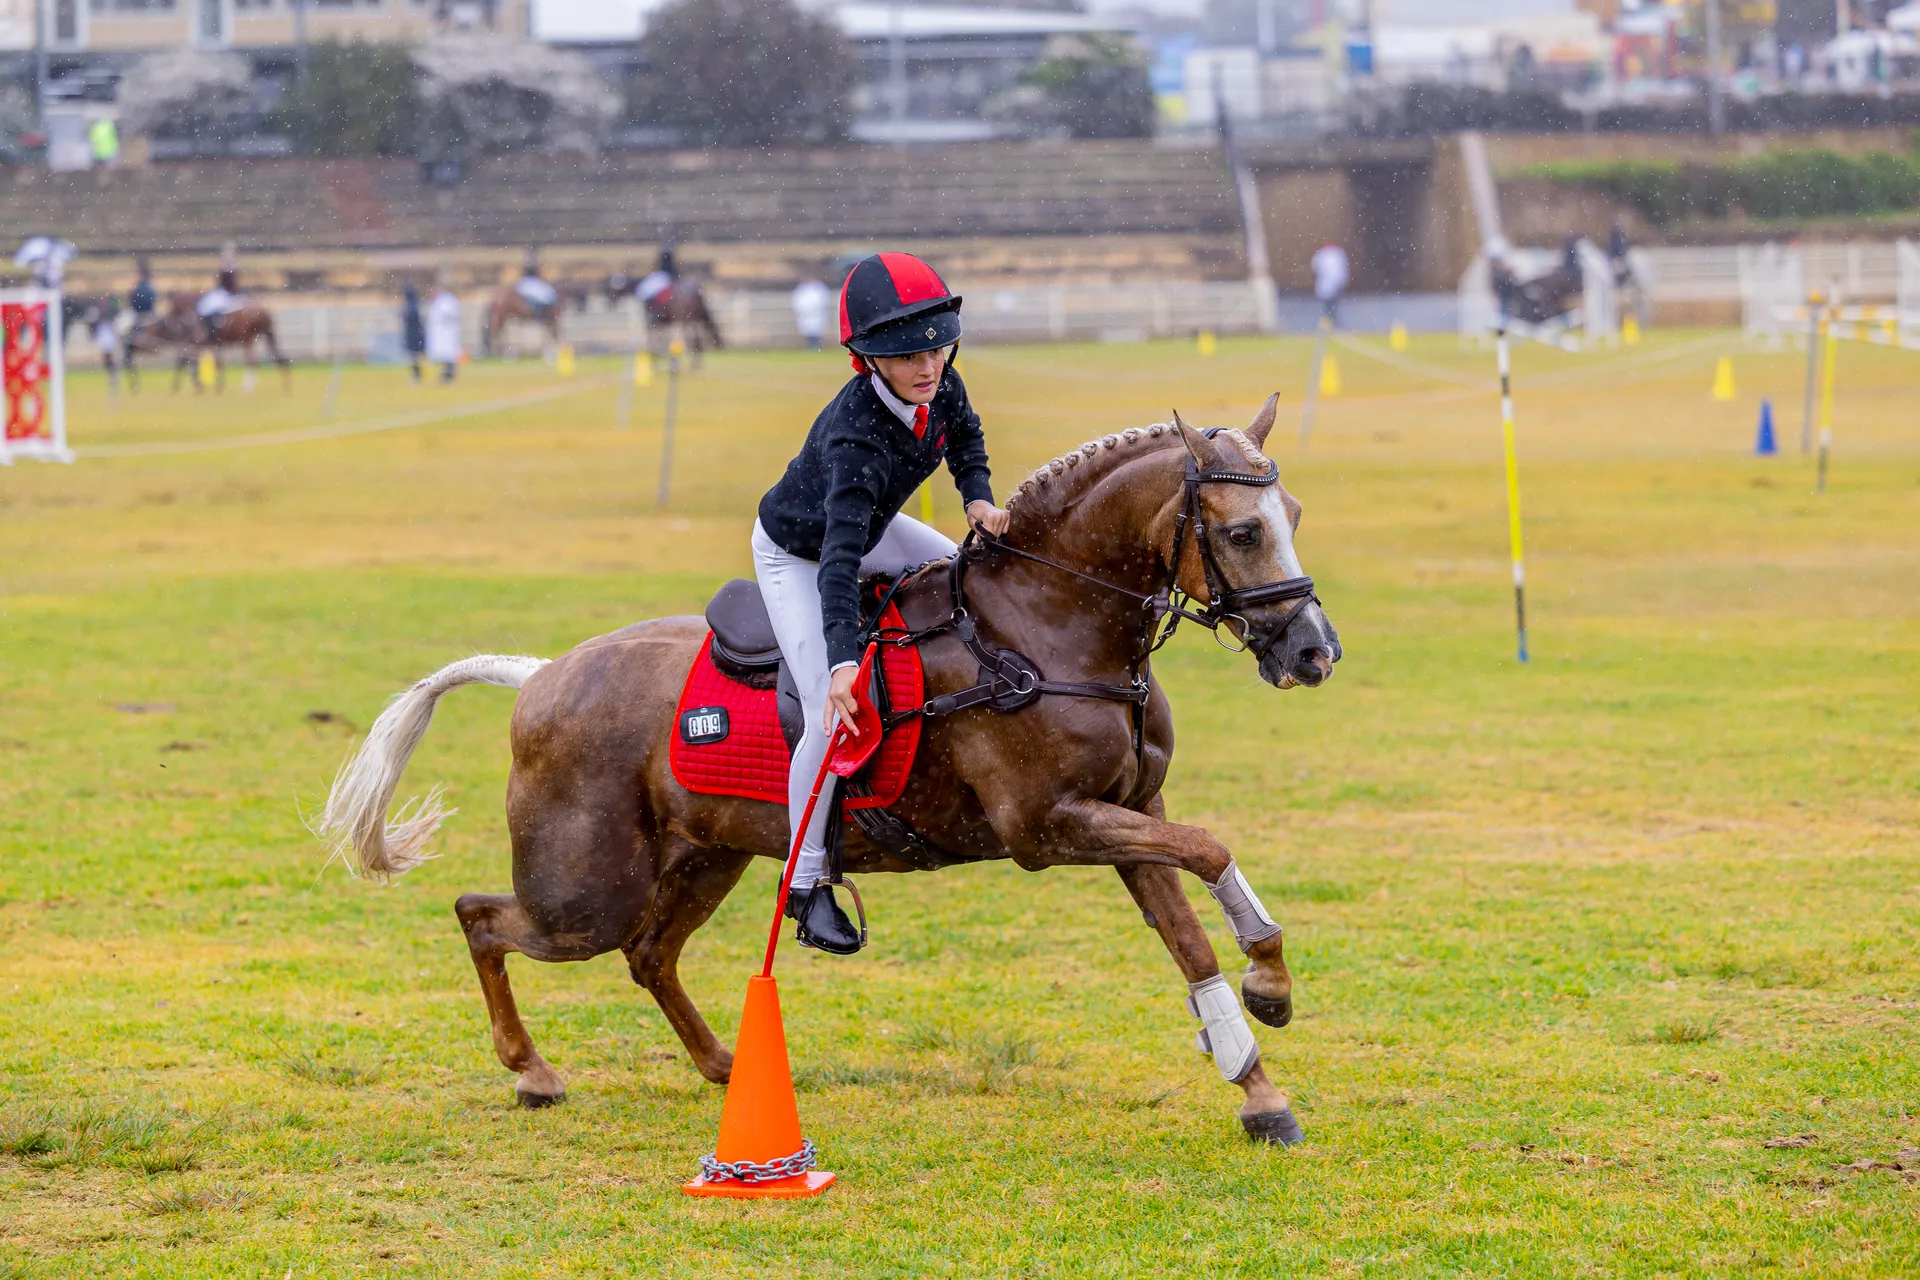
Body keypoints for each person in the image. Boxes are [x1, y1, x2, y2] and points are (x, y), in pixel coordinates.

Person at [754, 252, 1008, 954]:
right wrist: (840, 665)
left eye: (937, 347)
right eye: (907, 355)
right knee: (825, 714)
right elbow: (838, 563)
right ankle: (805, 885)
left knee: (968, 574)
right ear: (868, 359)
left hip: (870, 530)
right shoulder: (854, 434)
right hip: (800, 554)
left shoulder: (941, 381)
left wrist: (978, 496)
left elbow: (967, 435)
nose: (928, 367)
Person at [426, 278, 462, 384]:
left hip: (447, 332)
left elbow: (451, 314)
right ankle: (446, 375)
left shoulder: (448, 301)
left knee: (449, 354)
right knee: (443, 354)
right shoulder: (439, 301)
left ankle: (449, 375)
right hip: (440, 333)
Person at [1310, 241, 1349, 326]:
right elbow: (1342, 271)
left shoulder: (1321, 255)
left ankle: (1327, 324)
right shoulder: (1337, 255)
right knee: (1331, 307)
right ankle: (1330, 324)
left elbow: (1314, 268)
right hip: (1333, 286)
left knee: (1327, 308)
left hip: (1325, 287)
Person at [790, 276, 831, 350]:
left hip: (817, 314)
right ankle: (809, 346)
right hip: (805, 315)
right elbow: (797, 301)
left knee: (817, 330)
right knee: (807, 330)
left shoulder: (818, 288)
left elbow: (822, 300)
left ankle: (817, 346)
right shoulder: (801, 289)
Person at [401, 282, 427, 382]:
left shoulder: (412, 306)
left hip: (414, 334)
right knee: (415, 356)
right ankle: (416, 375)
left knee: (415, 356)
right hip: (415, 333)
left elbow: (413, 319)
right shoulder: (414, 304)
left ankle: (417, 376)